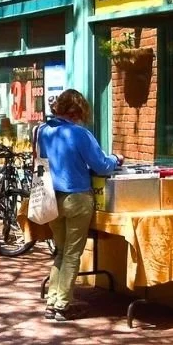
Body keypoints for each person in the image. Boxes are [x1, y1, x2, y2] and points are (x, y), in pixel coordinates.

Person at [37, 89, 122, 321]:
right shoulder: (80, 134)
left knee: (61, 251)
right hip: (77, 198)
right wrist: (116, 159)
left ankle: (52, 301)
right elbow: (102, 166)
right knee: (73, 253)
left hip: (52, 197)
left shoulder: (43, 132)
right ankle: (62, 305)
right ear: (77, 111)